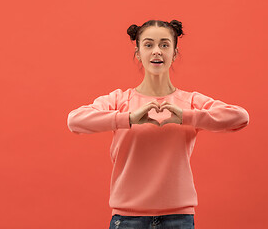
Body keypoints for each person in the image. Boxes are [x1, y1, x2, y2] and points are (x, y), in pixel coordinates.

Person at [67, 19, 250, 229]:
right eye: (148, 45)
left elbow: (240, 117)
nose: (157, 51)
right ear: (138, 52)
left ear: (174, 53)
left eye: (164, 45)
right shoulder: (120, 100)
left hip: (178, 219)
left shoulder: (189, 102)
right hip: (127, 220)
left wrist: (185, 116)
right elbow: (75, 121)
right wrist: (128, 119)